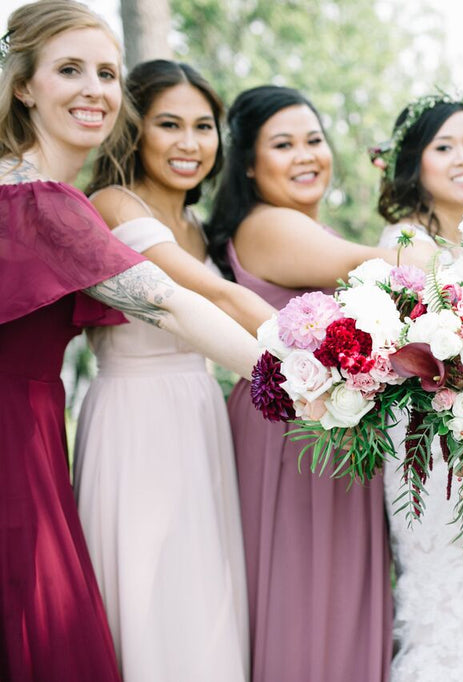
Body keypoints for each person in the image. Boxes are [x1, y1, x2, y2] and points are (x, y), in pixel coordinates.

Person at [0, 2, 259, 680]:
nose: (95, 89)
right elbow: (172, 306)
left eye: (108, 73)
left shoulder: (43, 195)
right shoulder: (38, 201)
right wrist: (295, 376)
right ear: (24, 85)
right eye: (70, 70)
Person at [205, 84, 430, 682]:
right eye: (284, 144)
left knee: (333, 598)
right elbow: (390, 265)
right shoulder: (269, 225)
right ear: (250, 165)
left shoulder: (306, 227)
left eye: (314, 140)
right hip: (294, 439)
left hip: (326, 431)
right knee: (308, 602)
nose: (306, 155)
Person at [72, 59, 274, 681]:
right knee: (150, 591)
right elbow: (214, 300)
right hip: (136, 419)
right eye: (169, 125)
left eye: (203, 126)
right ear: (134, 130)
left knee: (204, 588)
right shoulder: (112, 203)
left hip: (198, 413)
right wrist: (325, 353)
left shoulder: (199, 226)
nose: (189, 144)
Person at [373, 92, 463, 681]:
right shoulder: (406, 242)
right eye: (444, 146)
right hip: (430, 446)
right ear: (416, 165)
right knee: (447, 604)